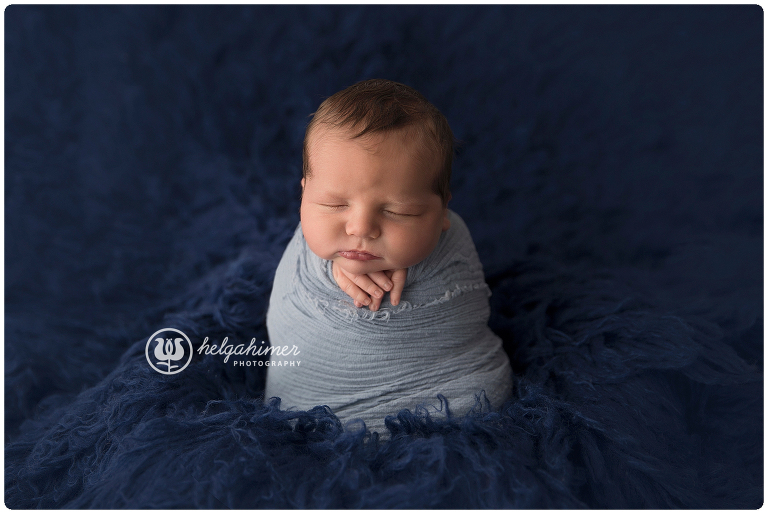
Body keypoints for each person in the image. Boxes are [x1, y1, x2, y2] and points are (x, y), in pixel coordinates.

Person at [265, 79, 512, 435]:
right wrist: (329, 271)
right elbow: (292, 311)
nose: (361, 228)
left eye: (398, 212)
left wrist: (415, 267)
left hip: (452, 395)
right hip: (313, 411)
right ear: (304, 193)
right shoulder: (304, 254)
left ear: (442, 212)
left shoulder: (452, 242)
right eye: (333, 204)